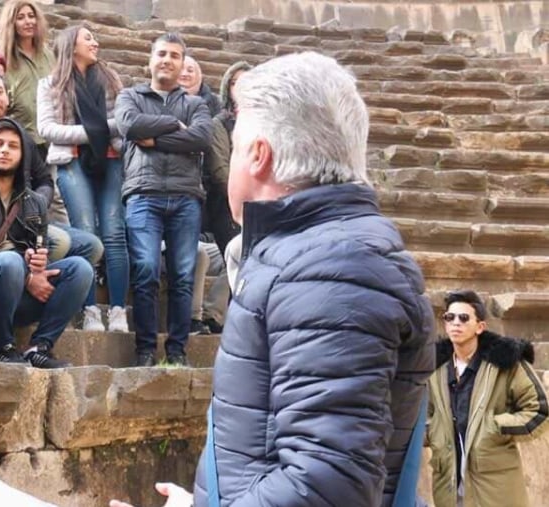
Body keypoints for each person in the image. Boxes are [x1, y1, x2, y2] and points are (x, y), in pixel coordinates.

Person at [112, 51, 436, 507]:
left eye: (237, 142)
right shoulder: (319, 256)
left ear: (258, 156)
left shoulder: (331, 269)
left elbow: (326, 487)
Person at [0, 118, 92, 368]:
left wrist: (38, 266)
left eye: (13, 146)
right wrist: (25, 272)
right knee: (9, 262)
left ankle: (39, 347)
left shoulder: (35, 202)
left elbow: (40, 251)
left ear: (23, 154)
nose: (5, 150)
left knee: (80, 269)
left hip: (17, 294)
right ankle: (4, 347)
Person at [0, 66, 102, 269]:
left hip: (24, 217)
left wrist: (35, 207)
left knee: (91, 246)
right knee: (59, 242)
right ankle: (24, 283)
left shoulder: (21, 136)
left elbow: (43, 179)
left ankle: (40, 286)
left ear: (8, 98)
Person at [114, 33, 212, 367]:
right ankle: (145, 350)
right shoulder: (130, 96)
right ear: (151, 59)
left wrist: (154, 139)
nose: (167, 60)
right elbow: (129, 125)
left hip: (185, 197)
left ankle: (177, 352)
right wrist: (173, 124)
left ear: (183, 63)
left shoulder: (197, 104)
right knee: (145, 270)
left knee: (183, 275)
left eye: (174, 55)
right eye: (161, 54)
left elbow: (201, 138)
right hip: (144, 194)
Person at [37, 24, 128, 333]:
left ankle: (117, 310)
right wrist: (94, 132)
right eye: (88, 38)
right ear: (71, 44)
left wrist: (101, 131)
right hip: (71, 162)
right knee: (86, 233)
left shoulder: (111, 80)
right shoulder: (49, 84)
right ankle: (88, 309)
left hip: (111, 160)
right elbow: (47, 129)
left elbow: (123, 122)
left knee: (114, 234)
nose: (96, 43)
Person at [427, 290, 548, 507]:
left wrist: (494, 426)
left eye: (463, 318)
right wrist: (435, 431)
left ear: (480, 326)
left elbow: (539, 411)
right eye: (449, 317)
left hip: (496, 485)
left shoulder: (506, 363)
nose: (455, 323)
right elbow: (421, 417)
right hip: (448, 485)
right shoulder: (434, 370)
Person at [0, 0, 68, 226]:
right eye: (21, 17)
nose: (28, 21)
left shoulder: (49, 55)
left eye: (31, 16)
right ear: (11, 23)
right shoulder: (3, 58)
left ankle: (68, 243)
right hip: (22, 138)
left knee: (57, 196)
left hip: (51, 137)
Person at [204, 60, 249, 258]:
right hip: (228, 207)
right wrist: (245, 199)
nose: (240, 86)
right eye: (234, 82)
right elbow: (220, 170)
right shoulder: (219, 123)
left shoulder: (269, 123)